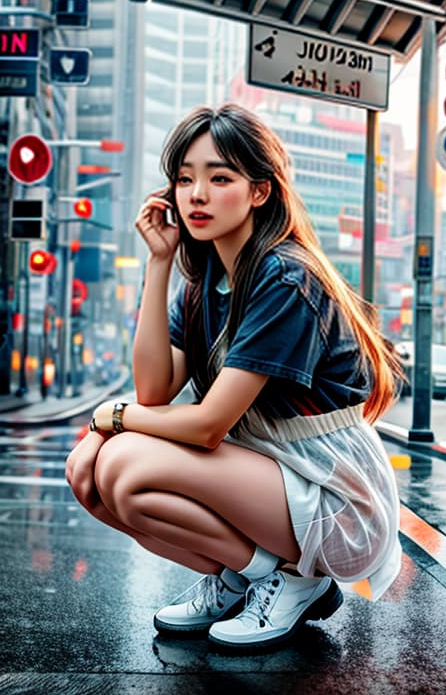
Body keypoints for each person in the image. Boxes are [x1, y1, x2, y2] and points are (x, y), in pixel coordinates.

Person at [65, 103, 403, 653]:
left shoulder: (285, 276)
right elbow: (155, 390)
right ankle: (244, 576)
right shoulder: (206, 280)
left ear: (260, 192)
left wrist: (116, 417)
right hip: (273, 471)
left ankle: (297, 579)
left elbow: (206, 427)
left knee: (124, 464)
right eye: (184, 178)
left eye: (219, 178)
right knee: (90, 473)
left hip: (332, 496)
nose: (196, 194)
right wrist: (159, 262)